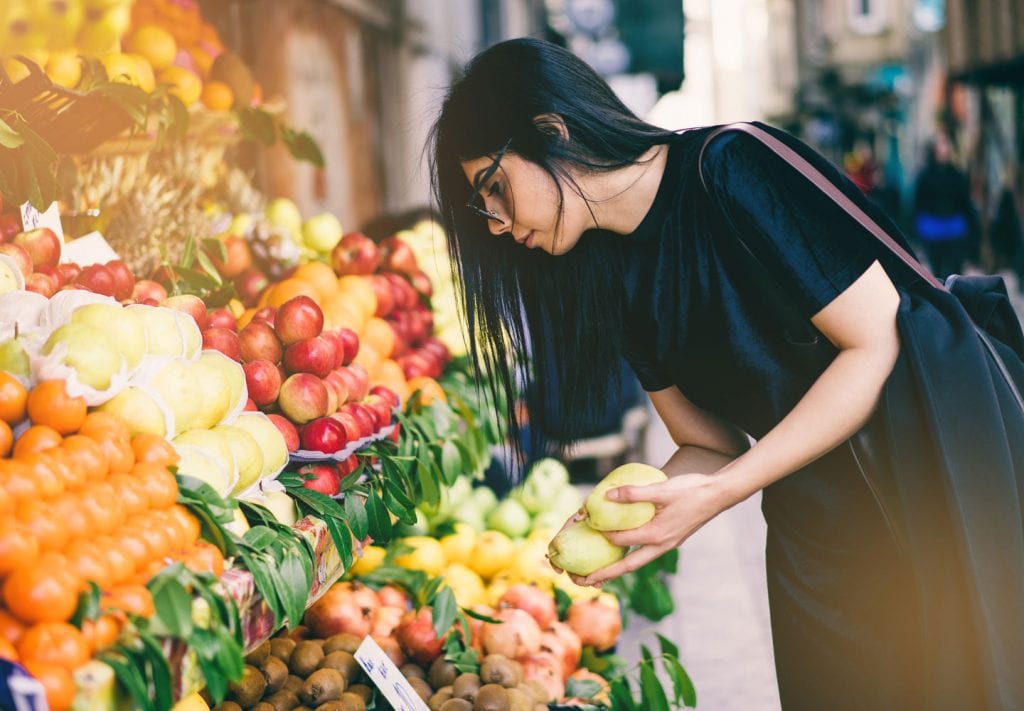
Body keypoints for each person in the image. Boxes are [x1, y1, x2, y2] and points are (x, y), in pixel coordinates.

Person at [428, 38, 1023, 709]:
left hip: (929, 493)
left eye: (494, 188)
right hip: (817, 542)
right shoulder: (615, 277)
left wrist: (726, 490)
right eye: (485, 210)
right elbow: (710, 444)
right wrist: (634, 517)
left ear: (550, 131)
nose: (500, 224)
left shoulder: (732, 166)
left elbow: (874, 341)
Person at [911, 133, 978, 279]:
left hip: (954, 228)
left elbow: (965, 203)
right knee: (938, 270)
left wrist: (972, 229)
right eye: (941, 145)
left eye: (946, 145)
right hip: (932, 229)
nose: (944, 149)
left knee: (955, 270)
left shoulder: (957, 175)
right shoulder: (925, 176)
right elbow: (918, 203)